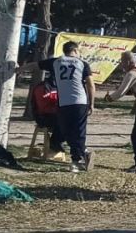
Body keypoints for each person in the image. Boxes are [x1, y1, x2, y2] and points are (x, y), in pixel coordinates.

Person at [40, 41, 95, 171]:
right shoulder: (82, 63)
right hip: (79, 101)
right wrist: (91, 103)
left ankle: (79, 157)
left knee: (67, 131)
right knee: (79, 131)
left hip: (63, 102)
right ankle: (81, 155)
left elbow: (36, 65)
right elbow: (91, 85)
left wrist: (18, 69)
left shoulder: (56, 62)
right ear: (75, 50)